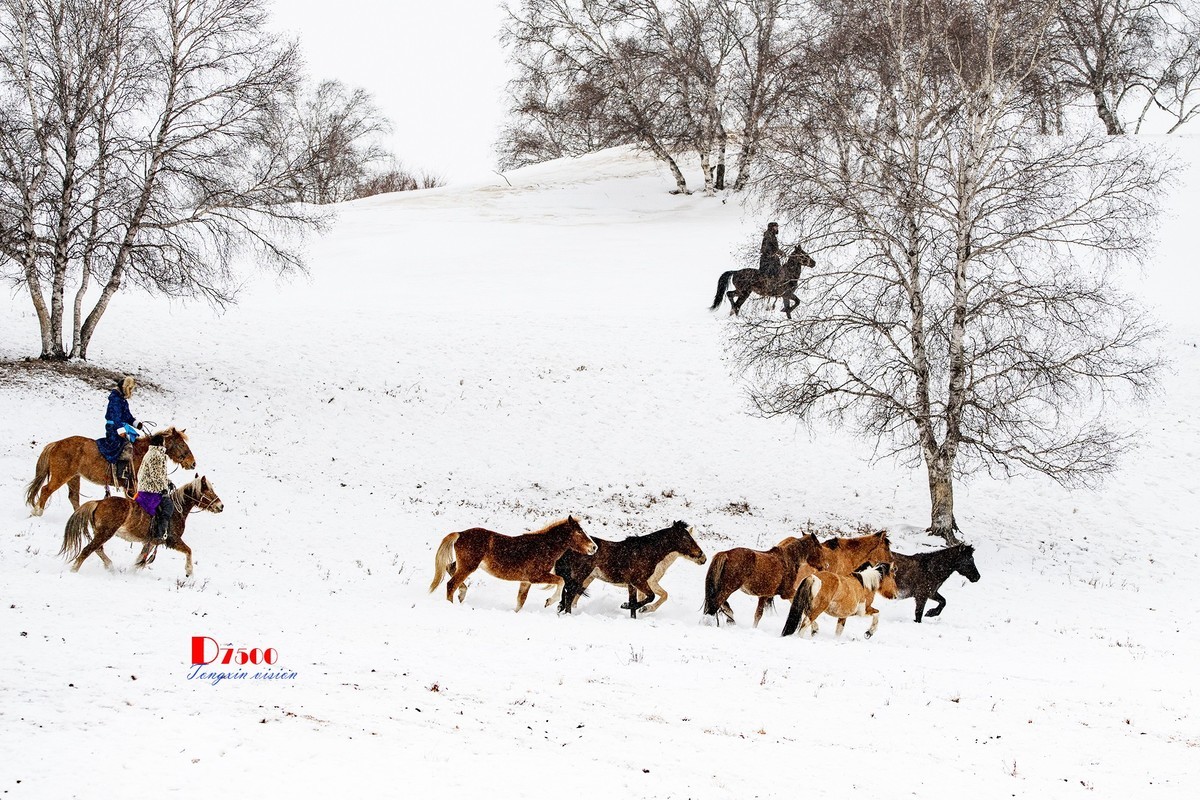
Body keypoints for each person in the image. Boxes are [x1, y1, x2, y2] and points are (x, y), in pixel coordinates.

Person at [96, 375, 140, 491]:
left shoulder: (122, 400)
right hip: (113, 428)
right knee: (126, 446)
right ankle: (121, 472)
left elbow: (127, 415)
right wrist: (121, 430)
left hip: (120, 426)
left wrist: (136, 423)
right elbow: (115, 417)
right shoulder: (115, 399)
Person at [134, 434, 174, 543]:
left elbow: (159, 474)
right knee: (168, 506)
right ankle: (159, 534)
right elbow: (156, 476)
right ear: (161, 443)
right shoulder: (156, 454)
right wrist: (164, 490)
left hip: (149, 487)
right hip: (150, 489)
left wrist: (168, 482)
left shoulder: (152, 453)